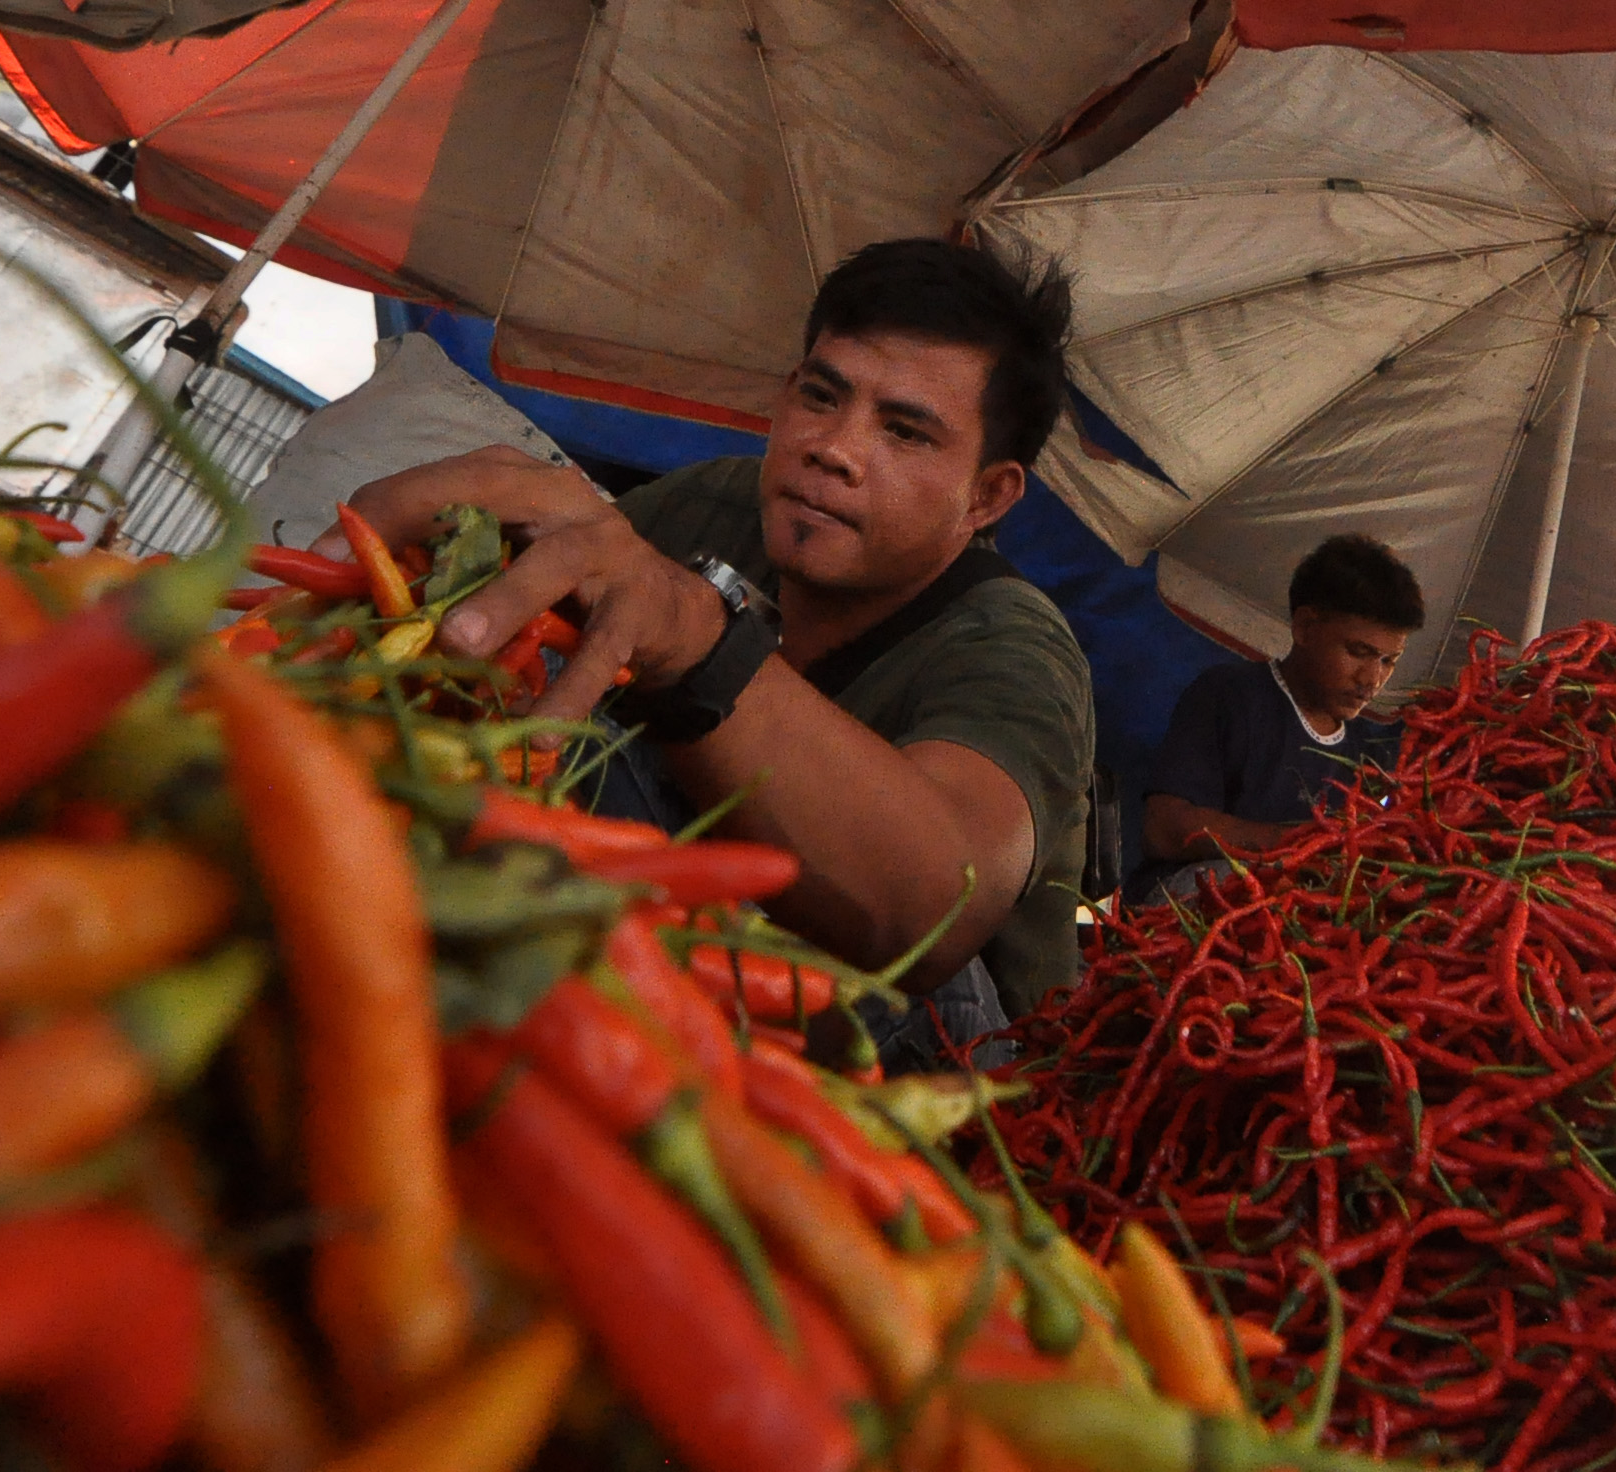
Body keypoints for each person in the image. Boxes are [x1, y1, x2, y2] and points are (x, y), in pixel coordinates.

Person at [336, 239, 1093, 1048]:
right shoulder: (719, 504)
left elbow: (932, 909)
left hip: (949, 1061)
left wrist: (696, 644)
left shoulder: (1016, 650)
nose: (833, 447)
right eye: (821, 395)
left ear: (986, 496)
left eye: (905, 433)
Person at [1131, 535, 1425, 900]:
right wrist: (1302, 846)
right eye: (1358, 651)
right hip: (1188, 902)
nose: (1372, 678)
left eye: (1388, 661)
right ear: (1304, 628)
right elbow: (1164, 830)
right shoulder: (1229, 696)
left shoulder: (1374, 751)